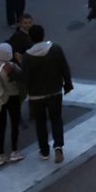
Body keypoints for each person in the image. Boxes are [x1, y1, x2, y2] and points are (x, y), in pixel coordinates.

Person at [24, 24, 73, 163]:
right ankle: (58, 147)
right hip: (54, 91)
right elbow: (64, 68)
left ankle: (44, 151)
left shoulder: (27, 56)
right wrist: (67, 84)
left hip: (36, 95)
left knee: (40, 123)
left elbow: (25, 78)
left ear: (30, 38)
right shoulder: (55, 49)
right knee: (56, 119)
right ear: (43, 35)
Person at [0, 42, 25, 166]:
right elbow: (21, 78)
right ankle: (14, 151)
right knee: (14, 124)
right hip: (12, 98)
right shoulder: (12, 66)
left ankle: (1, 155)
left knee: (1, 126)